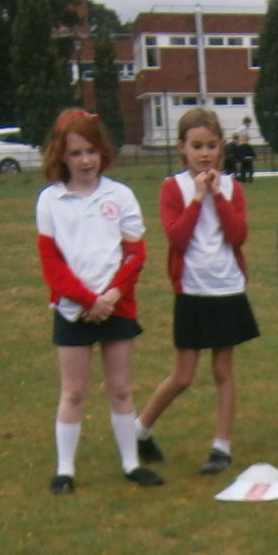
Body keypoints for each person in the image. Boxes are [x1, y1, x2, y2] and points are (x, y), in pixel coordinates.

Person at [34, 109, 159, 496]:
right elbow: (52, 264)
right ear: (61, 157)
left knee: (120, 388)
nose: (85, 161)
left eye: (91, 151)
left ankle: (131, 463)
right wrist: (88, 300)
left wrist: (112, 296)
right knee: (73, 392)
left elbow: (135, 254)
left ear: (102, 152)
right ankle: (65, 470)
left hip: (117, 305)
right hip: (74, 308)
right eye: (75, 154)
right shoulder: (50, 201)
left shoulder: (120, 195)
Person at [137, 107, 261, 476]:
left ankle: (221, 445)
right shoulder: (171, 188)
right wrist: (196, 197)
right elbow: (176, 236)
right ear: (182, 149)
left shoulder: (232, 187)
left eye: (210, 145)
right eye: (196, 146)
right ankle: (140, 429)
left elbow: (238, 235)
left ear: (221, 147)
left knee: (223, 369)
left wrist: (218, 196)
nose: (204, 153)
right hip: (192, 289)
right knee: (184, 375)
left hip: (227, 287)